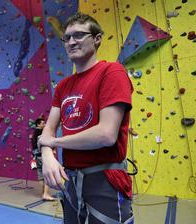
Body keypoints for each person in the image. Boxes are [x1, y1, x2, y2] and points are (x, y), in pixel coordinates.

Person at [38, 12, 134, 223]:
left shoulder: (112, 72)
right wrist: (47, 155)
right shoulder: (63, 86)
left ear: (97, 38)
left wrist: (53, 143)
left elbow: (106, 134)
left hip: (104, 180)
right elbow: (48, 129)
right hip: (71, 180)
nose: (71, 42)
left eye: (79, 35)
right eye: (67, 37)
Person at [32, 117, 55, 201]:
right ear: (38, 124)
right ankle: (45, 194)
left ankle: (43, 193)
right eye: (43, 123)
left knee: (41, 175)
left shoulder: (34, 133)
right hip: (42, 156)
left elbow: (34, 146)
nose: (44, 125)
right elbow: (45, 143)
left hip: (37, 156)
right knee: (47, 175)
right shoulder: (42, 133)